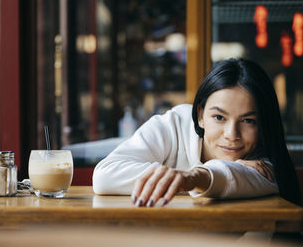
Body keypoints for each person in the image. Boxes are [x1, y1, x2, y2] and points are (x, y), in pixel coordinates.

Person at [93, 58, 301, 207]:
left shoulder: (265, 163)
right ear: (200, 114)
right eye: (219, 117)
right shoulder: (174, 123)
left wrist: (193, 176)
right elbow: (105, 175)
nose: (231, 134)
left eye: (248, 121)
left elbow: (240, 179)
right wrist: (181, 178)